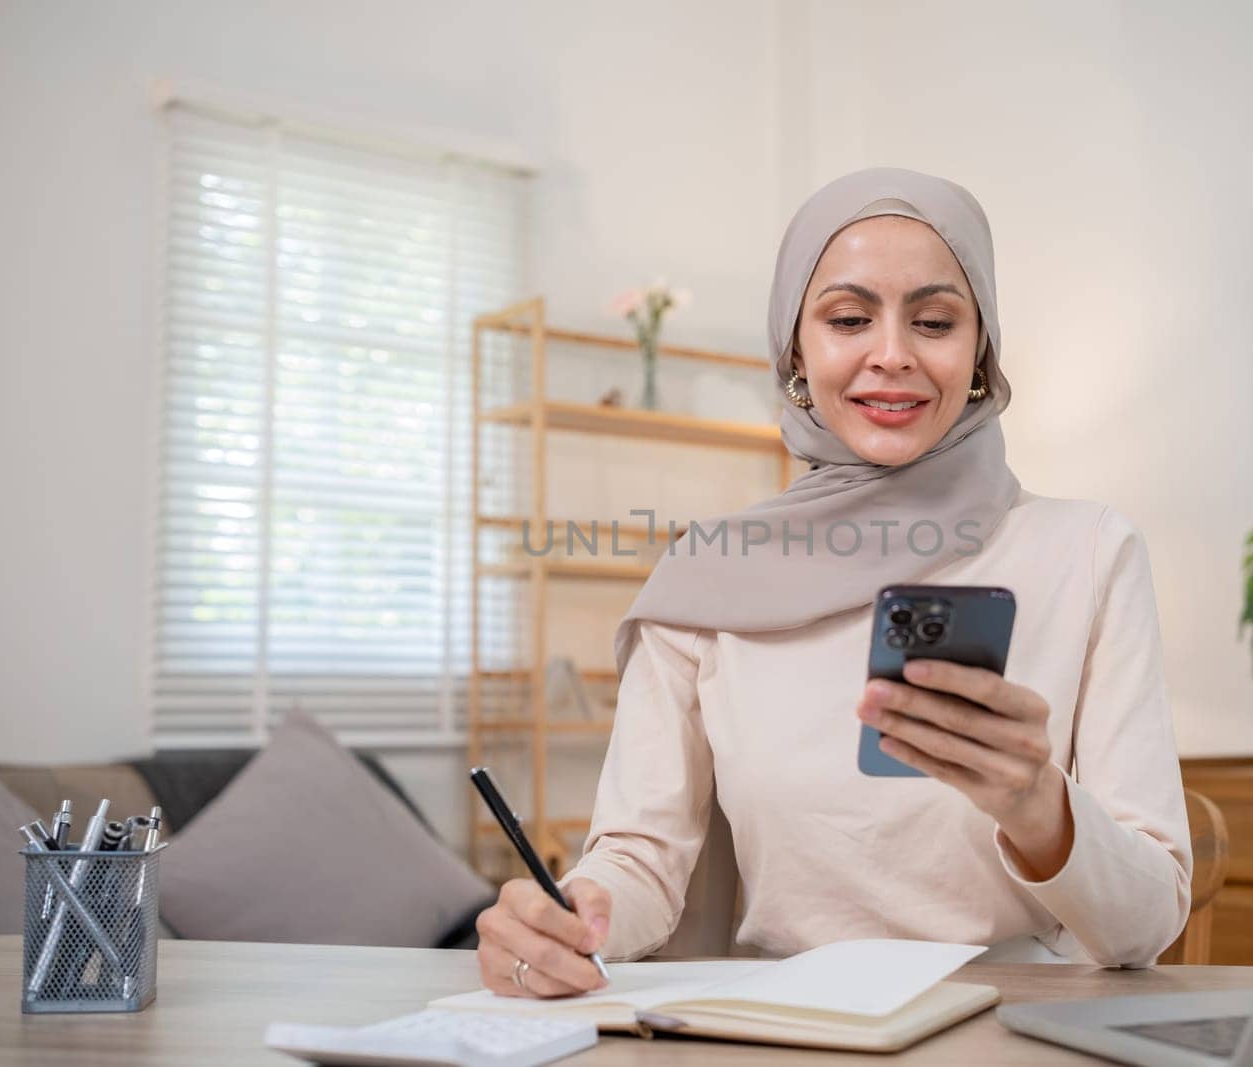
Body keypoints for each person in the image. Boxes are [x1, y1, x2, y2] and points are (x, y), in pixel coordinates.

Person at [473, 167, 1191, 999]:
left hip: (1014, 1029)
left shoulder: (1091, 551)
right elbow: (639, 859)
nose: (892, 354)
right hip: (776, 1032)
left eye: (935, 320)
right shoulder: (706, 574)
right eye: (849, 318)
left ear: (981, 351)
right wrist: (575, 912)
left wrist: (1039, 803)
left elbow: (1147, 923)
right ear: (796, 353)